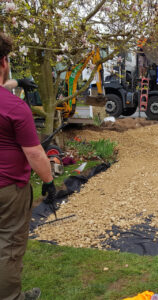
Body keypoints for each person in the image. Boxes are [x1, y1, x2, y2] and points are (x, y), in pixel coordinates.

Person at [0, 33, 56, 300]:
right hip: (7, 188)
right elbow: (34, 153)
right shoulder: (14, 107)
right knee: (8, 245)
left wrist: (18, 82)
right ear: (3, 62)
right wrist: (49, 182)